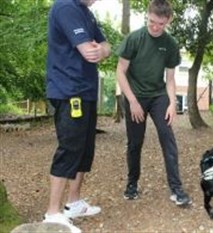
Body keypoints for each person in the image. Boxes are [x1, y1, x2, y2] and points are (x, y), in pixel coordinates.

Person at [43, 0, 111, 232]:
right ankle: (53, 212)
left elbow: (105, 47)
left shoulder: (85, 12)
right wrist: (99, 50)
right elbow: (89, 52)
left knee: (84, 149)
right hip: (69, 90)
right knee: (70, 148)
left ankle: (73, 203)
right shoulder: (65, 7)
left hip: (87, 91)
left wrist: (102, 48)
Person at [116, 0, 192, 206]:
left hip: (159, 96)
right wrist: (132, 101)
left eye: (161, 24)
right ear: (147, 15)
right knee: (135, 142)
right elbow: (120, 71)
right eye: (152, 22)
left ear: (168, 21)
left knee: (168, 138)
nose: (156, 27)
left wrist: (171, 103)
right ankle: (132, 184)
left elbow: (170, 78)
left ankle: (176, 188)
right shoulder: (134, 39)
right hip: (135, 96)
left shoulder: (170, 44)